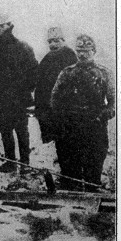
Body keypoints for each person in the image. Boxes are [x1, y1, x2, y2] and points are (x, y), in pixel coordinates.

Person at [51, 34, 114, 191]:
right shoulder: (67, 73)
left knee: (93, 169)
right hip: (70, 128)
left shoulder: (104, 73)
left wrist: (102, 116)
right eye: (79, 50)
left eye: (87, 50)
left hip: (95, 127)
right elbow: (55, 99)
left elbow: (113, 103)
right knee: (70, 172)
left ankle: (92, 199)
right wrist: (63, 118)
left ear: (94, 51)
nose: (82, 54)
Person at [0, 14, 38, 173]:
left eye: (3, 25)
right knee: (5, 129)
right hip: (1, 97)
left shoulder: (22, 47)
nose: (0, 29)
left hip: (18, 97)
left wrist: (24, 90)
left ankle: (25, 164)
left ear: (10, 25)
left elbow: (33, 71)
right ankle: (10, 162)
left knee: (21, 130)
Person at [34, 27, 77, 169]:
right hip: (48, 106)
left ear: (63, 41)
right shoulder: (47, 58)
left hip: (64, 108)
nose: (53, 44)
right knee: (55, 140)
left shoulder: (70, 56)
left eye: (56, 41)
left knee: (67, 141)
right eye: (50, 41)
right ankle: (61, 168)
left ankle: (69, 172)